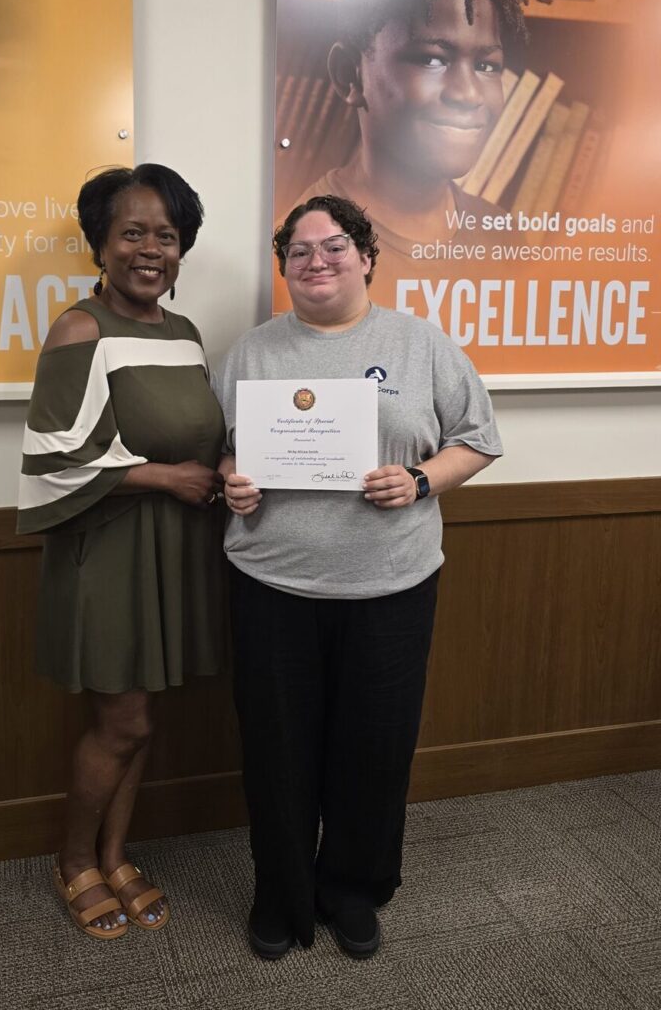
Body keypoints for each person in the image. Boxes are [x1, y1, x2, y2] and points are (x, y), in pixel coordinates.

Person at [213, 194, 502, 959]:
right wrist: (233, 478)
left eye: (334, 246)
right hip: (272, 585)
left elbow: (477, 440)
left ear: (367, 255)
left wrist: (419, 480)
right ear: (284, 268)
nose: (317, 262)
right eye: (299, 251)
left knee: (374, 751)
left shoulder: (422, 345)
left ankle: (351, 889)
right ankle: (279, 893)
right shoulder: (252, 352)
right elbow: (225, 451)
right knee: (276, 752)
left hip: (390, 590)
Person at [17, 163, 228, 940]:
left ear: (183, 248)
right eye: (132, 232)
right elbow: (52, 458)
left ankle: (115, 853)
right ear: (100, 243)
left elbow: (208, 434)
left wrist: (227, 466)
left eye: (166, 236)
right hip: (107, 552)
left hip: (175, 551)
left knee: (147, 717)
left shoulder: (186, 334)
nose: (150, 250)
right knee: (123, 721)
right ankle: (74, 861)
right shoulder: (80, 329)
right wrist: (164, 476)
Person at [277, 0, 548, 307]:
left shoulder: (504, 237)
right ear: (350, 75)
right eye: (432, 59)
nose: (469, 94)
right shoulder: (303, 251)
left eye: (486, 66)